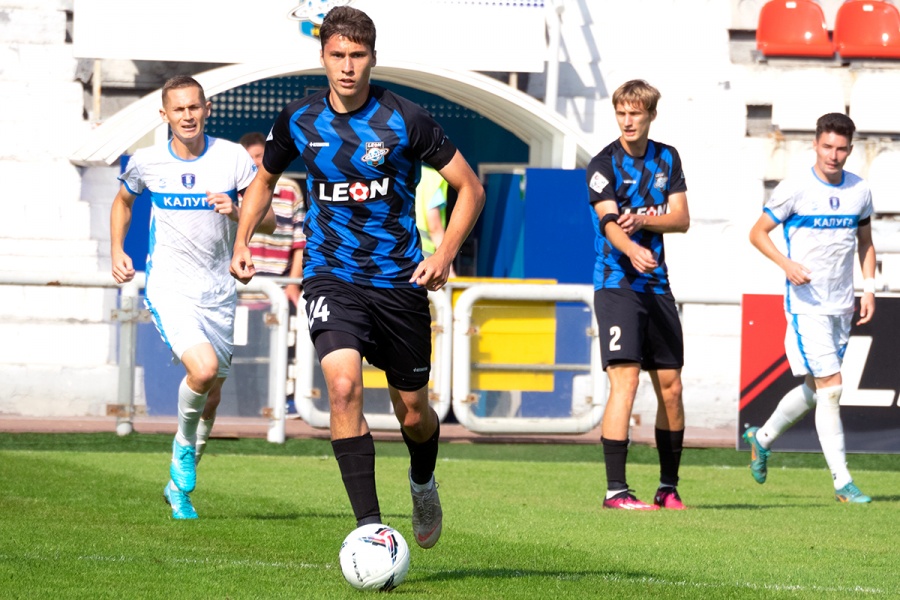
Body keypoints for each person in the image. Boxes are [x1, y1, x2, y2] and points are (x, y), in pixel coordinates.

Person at [230, 6, 485, 547]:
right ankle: (370, 531)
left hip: (398, 283)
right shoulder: (298, 118)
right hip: (331, 275)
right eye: (337, 55)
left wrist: (443, 254)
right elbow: (263, 181)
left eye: (357, 55)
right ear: (322, 56)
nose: (347, 66)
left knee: (412, 413)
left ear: (373, 57)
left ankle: (422, 481)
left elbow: (470, 187)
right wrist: (242, 240)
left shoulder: (406, 119)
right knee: (343, 388)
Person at [110, 76, 275, 520]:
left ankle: (177, 488)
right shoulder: (147, 161)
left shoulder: (233, 157)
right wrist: (117, 250)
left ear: (207, 109)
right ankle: (182, 450)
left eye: (194, 107)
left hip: (218, 292)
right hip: (170, 287)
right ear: (164, 115)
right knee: (201, 370)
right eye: (178, 109)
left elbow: (270, 220)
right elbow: (123, 202)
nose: (187, 116)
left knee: (212, 394)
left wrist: (237, 210)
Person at [743, 112, 876, 504]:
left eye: (841, 149)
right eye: (827, 146)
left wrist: (869, 288)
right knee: (832, 388)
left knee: (815, 390)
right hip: (807, 306)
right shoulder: (795, 188)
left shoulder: (859, 190)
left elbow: (865, 242)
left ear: (849, 150)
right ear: (815, 145)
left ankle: (761, 438)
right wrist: (786, 264)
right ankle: (842, 483)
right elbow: (757, 233)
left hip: (842, 305)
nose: (833, 155)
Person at [586, 79, 691, 511]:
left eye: (635, 113)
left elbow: (681, 218)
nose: (627, 121)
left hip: (657, 286)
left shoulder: (668, 158)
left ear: (650, 115)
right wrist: (631, 249)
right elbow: (608, 222)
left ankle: (668, 488)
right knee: (625, 381)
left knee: (671, 387)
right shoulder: (603, 164)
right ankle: (616, 491)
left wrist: (645, 222)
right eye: (621, 113)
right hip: (617, 285)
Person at [238, 132, 307, 416]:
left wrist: (293, 284)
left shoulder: (289, 188)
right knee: (244, 356)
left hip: (279, 291)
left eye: (259, 156)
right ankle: (246, 411)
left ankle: (283, 404)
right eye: (250, 158)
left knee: (283, 352)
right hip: (241, 294)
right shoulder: (233, 189)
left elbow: (300, 240)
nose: (255, 163)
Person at [415, 165, 455, 277]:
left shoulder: (399, 174)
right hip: (424, 264)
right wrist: (449, 269)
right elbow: (435, 228)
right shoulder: (431, 179)